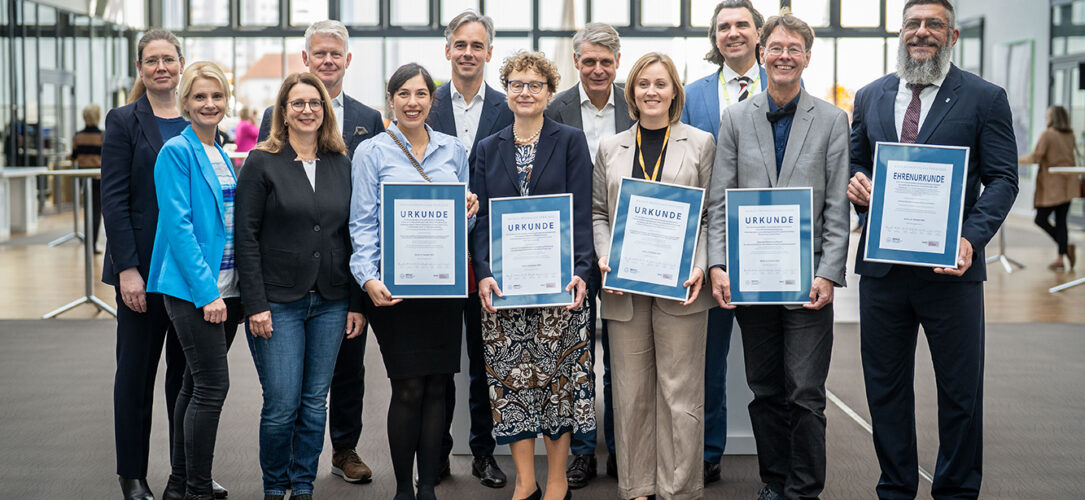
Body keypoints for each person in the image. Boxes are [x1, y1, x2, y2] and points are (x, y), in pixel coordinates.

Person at [847, 1, 1019, 498]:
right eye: (913, 25)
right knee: (885, 391)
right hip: (883, 272)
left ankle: (956, 491)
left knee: (960, 394)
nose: (922, 33)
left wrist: (969, 237)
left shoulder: (985, 98)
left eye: (934, 25)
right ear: (901, 33)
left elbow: (1004, 179)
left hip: (953, 270)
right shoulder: (871, 96)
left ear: (953, 36)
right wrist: (858, 189)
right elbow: (857, 162)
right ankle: (896, 488)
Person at [707, 14, 850, 499]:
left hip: (809, 281)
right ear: (762, 53)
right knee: (765, 388)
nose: (784, 55)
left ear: (807, 57)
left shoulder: (832, 120)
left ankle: (804, 489)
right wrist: (718, 264)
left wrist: (830, 273)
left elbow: (836, 206)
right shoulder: (736, 119)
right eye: (776, 47)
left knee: (805, 393)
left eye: (794, 48)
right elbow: (720, 199)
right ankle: (774, 481)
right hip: (752, 280)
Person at [258, 19, 385, 484]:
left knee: (348, 369)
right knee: (289, 394)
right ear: (305, 60)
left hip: (342, 274)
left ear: (347, 60)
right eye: (320, 54)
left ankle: (344, 449)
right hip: (288, 283)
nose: (328, 60)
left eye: (336, 53)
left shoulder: (369, 119)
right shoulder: (276, 130)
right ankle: (284, 478)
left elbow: (371, 203)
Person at [101, 29, 225, 500]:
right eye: (151, 60)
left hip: (189, 276)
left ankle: (186, 474)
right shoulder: (124, 121)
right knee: (136, 373)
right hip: (143, 273)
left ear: (181, 63)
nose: (161, 67)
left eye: (168, 59)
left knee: (186, 379)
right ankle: (132, 474)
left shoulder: (202, 120)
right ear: (140, 68)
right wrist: (128, 268)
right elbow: (114, 201)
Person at [234, 71, 367, 500]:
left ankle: (303, 486)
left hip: (331, 301)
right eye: (298, 103)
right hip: (277, 302)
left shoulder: (341, 163)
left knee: (314, 405)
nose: (307, 110)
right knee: (281, 406)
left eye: (315, 103)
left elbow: (353, 236)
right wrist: (254, 303)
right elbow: (245, 237)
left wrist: (355, 303)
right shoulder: (262, 161)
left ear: (324, 111)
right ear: (284, 112)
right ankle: (276, 488)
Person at [349, 63, 477, 500]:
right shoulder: (372, 152)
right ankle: (404, 488)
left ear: (432, 100)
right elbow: (362, 223)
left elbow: (463, 226)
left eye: (421, 94)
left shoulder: (453, 150)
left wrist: (469, 212)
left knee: (438, 386)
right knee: (406, 387)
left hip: (442, 288)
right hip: (394, 290)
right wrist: (368, 279)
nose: (412, 102)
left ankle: (428, 488)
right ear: (391, 100)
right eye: (403, 93)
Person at [472, 51, 594, 500]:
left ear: (549, 93)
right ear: (507, 92)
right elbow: (481, 220)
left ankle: (557, 478)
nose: (525, 92)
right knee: (511, 384)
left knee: (558, 383)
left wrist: (582, 271)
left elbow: (581, 211)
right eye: (517, 84)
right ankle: (525, 479)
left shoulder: (571, 141)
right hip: (504, 292)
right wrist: (482, 272)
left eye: (535, 85)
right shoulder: (488, 148)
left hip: (560, 289)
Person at [592, 52, 714, 500]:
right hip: (623, 286)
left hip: (682, 289)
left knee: (680, 395)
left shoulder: (699, 143)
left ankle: (677, 489)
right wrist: (605, 256)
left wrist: (699, 263)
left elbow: (709, 215)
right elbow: (598, 213)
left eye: (660, 83)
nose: (651, 92)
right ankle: (638, 487)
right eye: (643, 83)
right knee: (630, 393)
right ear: (632, 92)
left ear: (675, 92)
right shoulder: (610, 147)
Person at [146, 61, 243, 500]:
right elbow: (178, 227)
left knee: (192, 384)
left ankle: (179, 483)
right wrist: (208, 294)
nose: (209, 104)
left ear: (226, 101)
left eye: (216, 96)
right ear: (185, 103)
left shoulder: (219, 151)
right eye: (200, 96)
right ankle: (199, 489)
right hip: (194, 292)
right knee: (212, 387)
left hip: (225, 289)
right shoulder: (177, 152)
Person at [681, 1, 768, 481]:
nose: (733, 33)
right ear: (714, 38)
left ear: (758, 33)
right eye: (724, 27)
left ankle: (775, 457)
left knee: (770, 362)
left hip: (767, 244)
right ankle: (708, 453)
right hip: (706, 246)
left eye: (741, 25)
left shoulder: (781, 85)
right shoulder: (692, 95)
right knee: (706, 362)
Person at [426, 9, 513, 487]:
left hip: (488, 256)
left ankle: (483, 453)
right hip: (432, 259)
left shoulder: (506, 106)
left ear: (489, 53)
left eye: (477, 46)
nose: (467, 53)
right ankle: (437, 454)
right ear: (447, 50)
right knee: (439, 363)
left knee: (485, 362)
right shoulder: (424, 103)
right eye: (460, 44)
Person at [544, 21, 631, 488]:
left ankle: (621, 448)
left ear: (618, 63)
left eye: (606, 61)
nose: (597, 69)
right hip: (572, 250)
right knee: (575, 358)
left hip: (626, 249)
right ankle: (582, 452)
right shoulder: (554, 109)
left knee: (623, 355)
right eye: (589, 60)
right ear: (576, 62)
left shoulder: (636, 104)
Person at [1019, 105, 1079, 270]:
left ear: (1053, 118)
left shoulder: (1048, 134)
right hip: (1069, 184)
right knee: (1061, 221)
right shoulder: (1070, 135)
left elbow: (1036, 157)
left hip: (1053, 184)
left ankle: (1064, 248)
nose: (1046, 119)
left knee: (1041, 219)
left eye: (1048, 116)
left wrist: (1014, 160)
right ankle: (1061, 255)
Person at [71, 103, 104, 250]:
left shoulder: (78, 136)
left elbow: (73, 157)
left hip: (82, 175)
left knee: (87, 209)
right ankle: (93, 243)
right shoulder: (102, 136)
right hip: (98, 176)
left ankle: (88, 241)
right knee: (97, 210)